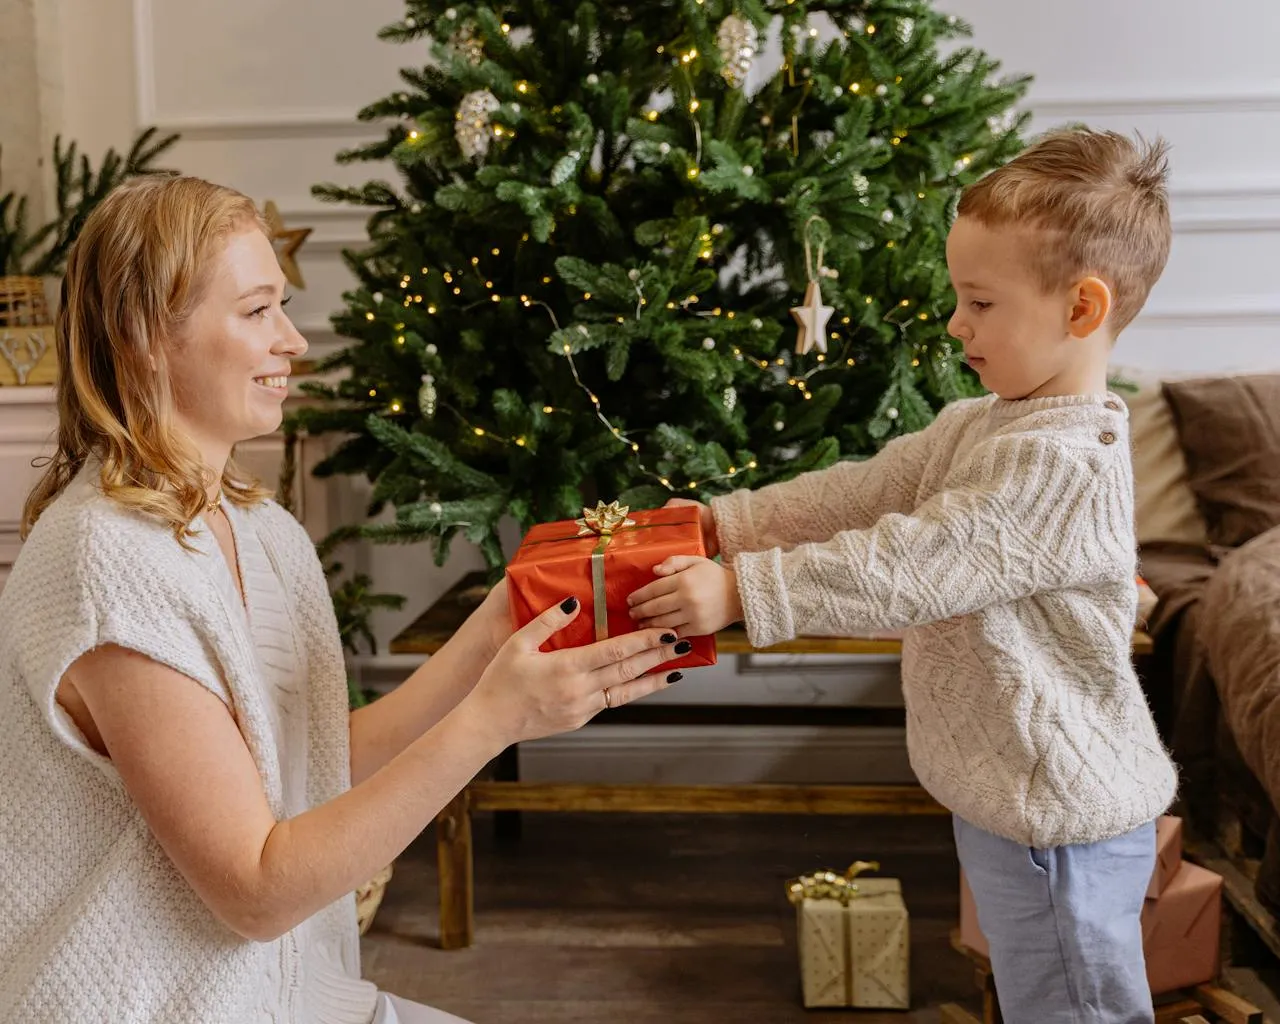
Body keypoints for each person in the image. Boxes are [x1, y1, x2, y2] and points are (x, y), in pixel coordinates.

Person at [0, 175, 688, 1024]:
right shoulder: (107, 562)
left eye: (282, 307)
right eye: (256, 312)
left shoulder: (262, 532)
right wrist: (494, 722)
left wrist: (495, 628)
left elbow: (315, 759)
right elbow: (256, 891)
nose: (293, 340)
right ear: (144, 336)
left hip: (292, 1001)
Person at [627, 127, 1178, 1024]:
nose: (957, 323)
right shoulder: (979, 423)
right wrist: (728, 521)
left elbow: (913, 564)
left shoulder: (1064, 464)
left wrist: (742, 591)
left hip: (1061, 821)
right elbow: (860, 494)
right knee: (1041, 997)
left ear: (1082, 309)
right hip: (1010, 799)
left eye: (981, 302)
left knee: (1077, 1008)